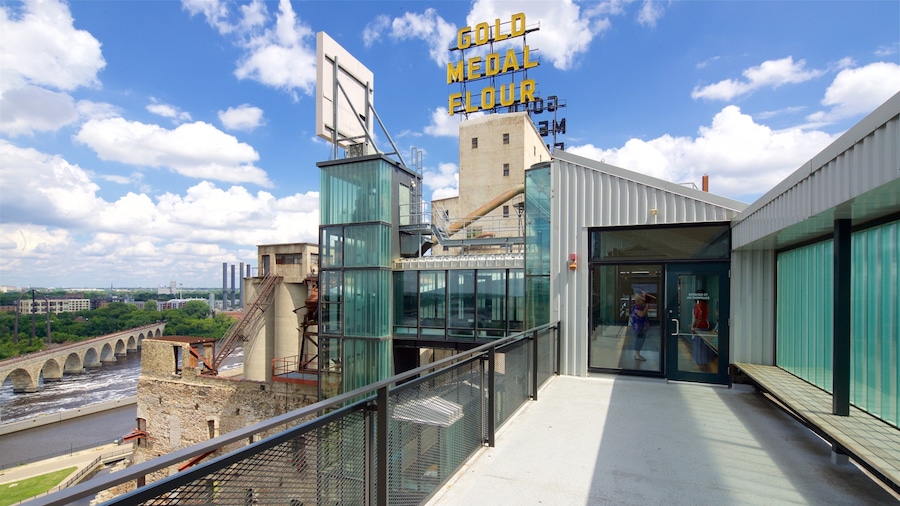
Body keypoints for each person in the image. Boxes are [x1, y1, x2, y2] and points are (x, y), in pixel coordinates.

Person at [631, 293, 650, 361]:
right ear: (638, 301)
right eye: (642, 300)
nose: (643, 301)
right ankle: (637, 354)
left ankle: (637, 354)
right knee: (639, 339)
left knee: (641, 339)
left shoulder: (641, 307)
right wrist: (646, 308)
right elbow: (641, 314)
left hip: (642, 326)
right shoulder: (636, 307)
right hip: (639, 327)